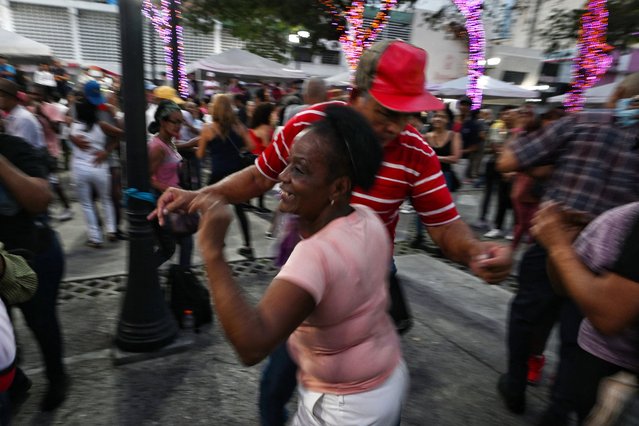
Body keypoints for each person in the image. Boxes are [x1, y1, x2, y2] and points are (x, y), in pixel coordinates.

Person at [153, 40, 513, 425]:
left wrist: (474, 250)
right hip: (305, 274)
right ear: (357, 95)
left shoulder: (416, 153)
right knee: (277, 382)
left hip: (369, 274)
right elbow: (261, 175)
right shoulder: (311, 126)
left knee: (351, 362)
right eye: (384, 111)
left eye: (406, 114)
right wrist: (201, 194)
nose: (395, 125)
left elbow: (443, 225)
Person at [193, 104, 408, 425]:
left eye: (300, 169)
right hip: (388, 381)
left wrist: (212, 251)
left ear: (338, 187)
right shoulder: (368, 220)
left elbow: (251, 345)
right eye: (289, 164)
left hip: (345, 409)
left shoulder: (315, 255)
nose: (283, 177)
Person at [496, 72, 639, 425]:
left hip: (555, 238)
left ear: (617, 94)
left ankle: (515, 387)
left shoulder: (581, 123)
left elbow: (507, 162)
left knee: (527, 317)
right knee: (581, 339)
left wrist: (545, 163)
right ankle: (563, 408)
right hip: (614, 266)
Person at [531, 201, 639, 423]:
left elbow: (609, 316)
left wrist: (558, 246)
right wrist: (566, 247)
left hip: (610, 365)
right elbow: (562, 286)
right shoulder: (621, 219)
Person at [196, 94, 255, 260]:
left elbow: (200, 154)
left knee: (207, 208)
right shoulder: (238, 127)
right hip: (236, 173)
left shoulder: (208, 129)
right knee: (239, 209)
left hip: (217, 174)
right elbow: (252, 145)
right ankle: (248, 246)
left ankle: (216, 243)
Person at [147, 100, 195, 267]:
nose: (179, 126)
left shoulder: (168, 142)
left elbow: (176, 151)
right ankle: (147, 275)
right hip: (165, 201)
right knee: (173, 247)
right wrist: (173, 190)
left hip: (174, 200)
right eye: (175, 122)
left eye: (181, 122)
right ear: (162, 122)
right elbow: (149, 179)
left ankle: (181, 279)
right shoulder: (157, 147)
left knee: (176, 245)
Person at [69, 96, 117, 248]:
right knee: (106, 199)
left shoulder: (74, 127)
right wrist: (107, 151)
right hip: (99, 166)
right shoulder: (101, 125)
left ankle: (95, 238)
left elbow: (66, 134)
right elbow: (120, 134)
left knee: (87, 204)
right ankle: (111, 230)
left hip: (80, 168)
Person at [0, 78, 45, 149]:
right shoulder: (12, 116)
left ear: (11, 98)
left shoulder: (23, 119)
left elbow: (20, 150)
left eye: (1, 96)